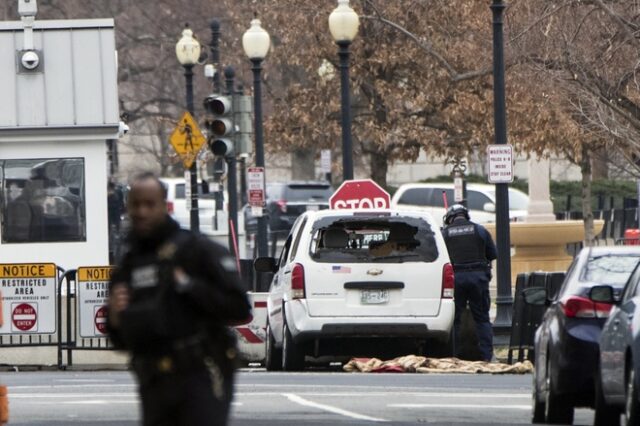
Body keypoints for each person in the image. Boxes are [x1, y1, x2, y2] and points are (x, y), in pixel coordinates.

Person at [107, 172, 251, 426]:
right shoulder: (129, 265)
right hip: (153, 380)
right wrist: (116, 319)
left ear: (165, 206)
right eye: (136, 204)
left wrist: (188, 285)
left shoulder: (195, 250)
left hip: (200, 373)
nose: (142, 212)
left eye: (150, 204)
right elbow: (121, 341)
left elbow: (239, 307)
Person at [441, 204, 497, 362]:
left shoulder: (445, 234)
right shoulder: (480, 230)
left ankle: (454, 356)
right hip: (478, 278)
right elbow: (493, 254)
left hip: (456, 279)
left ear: (450, 218)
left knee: (455, 319)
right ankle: (487, 356)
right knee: (482, 319)